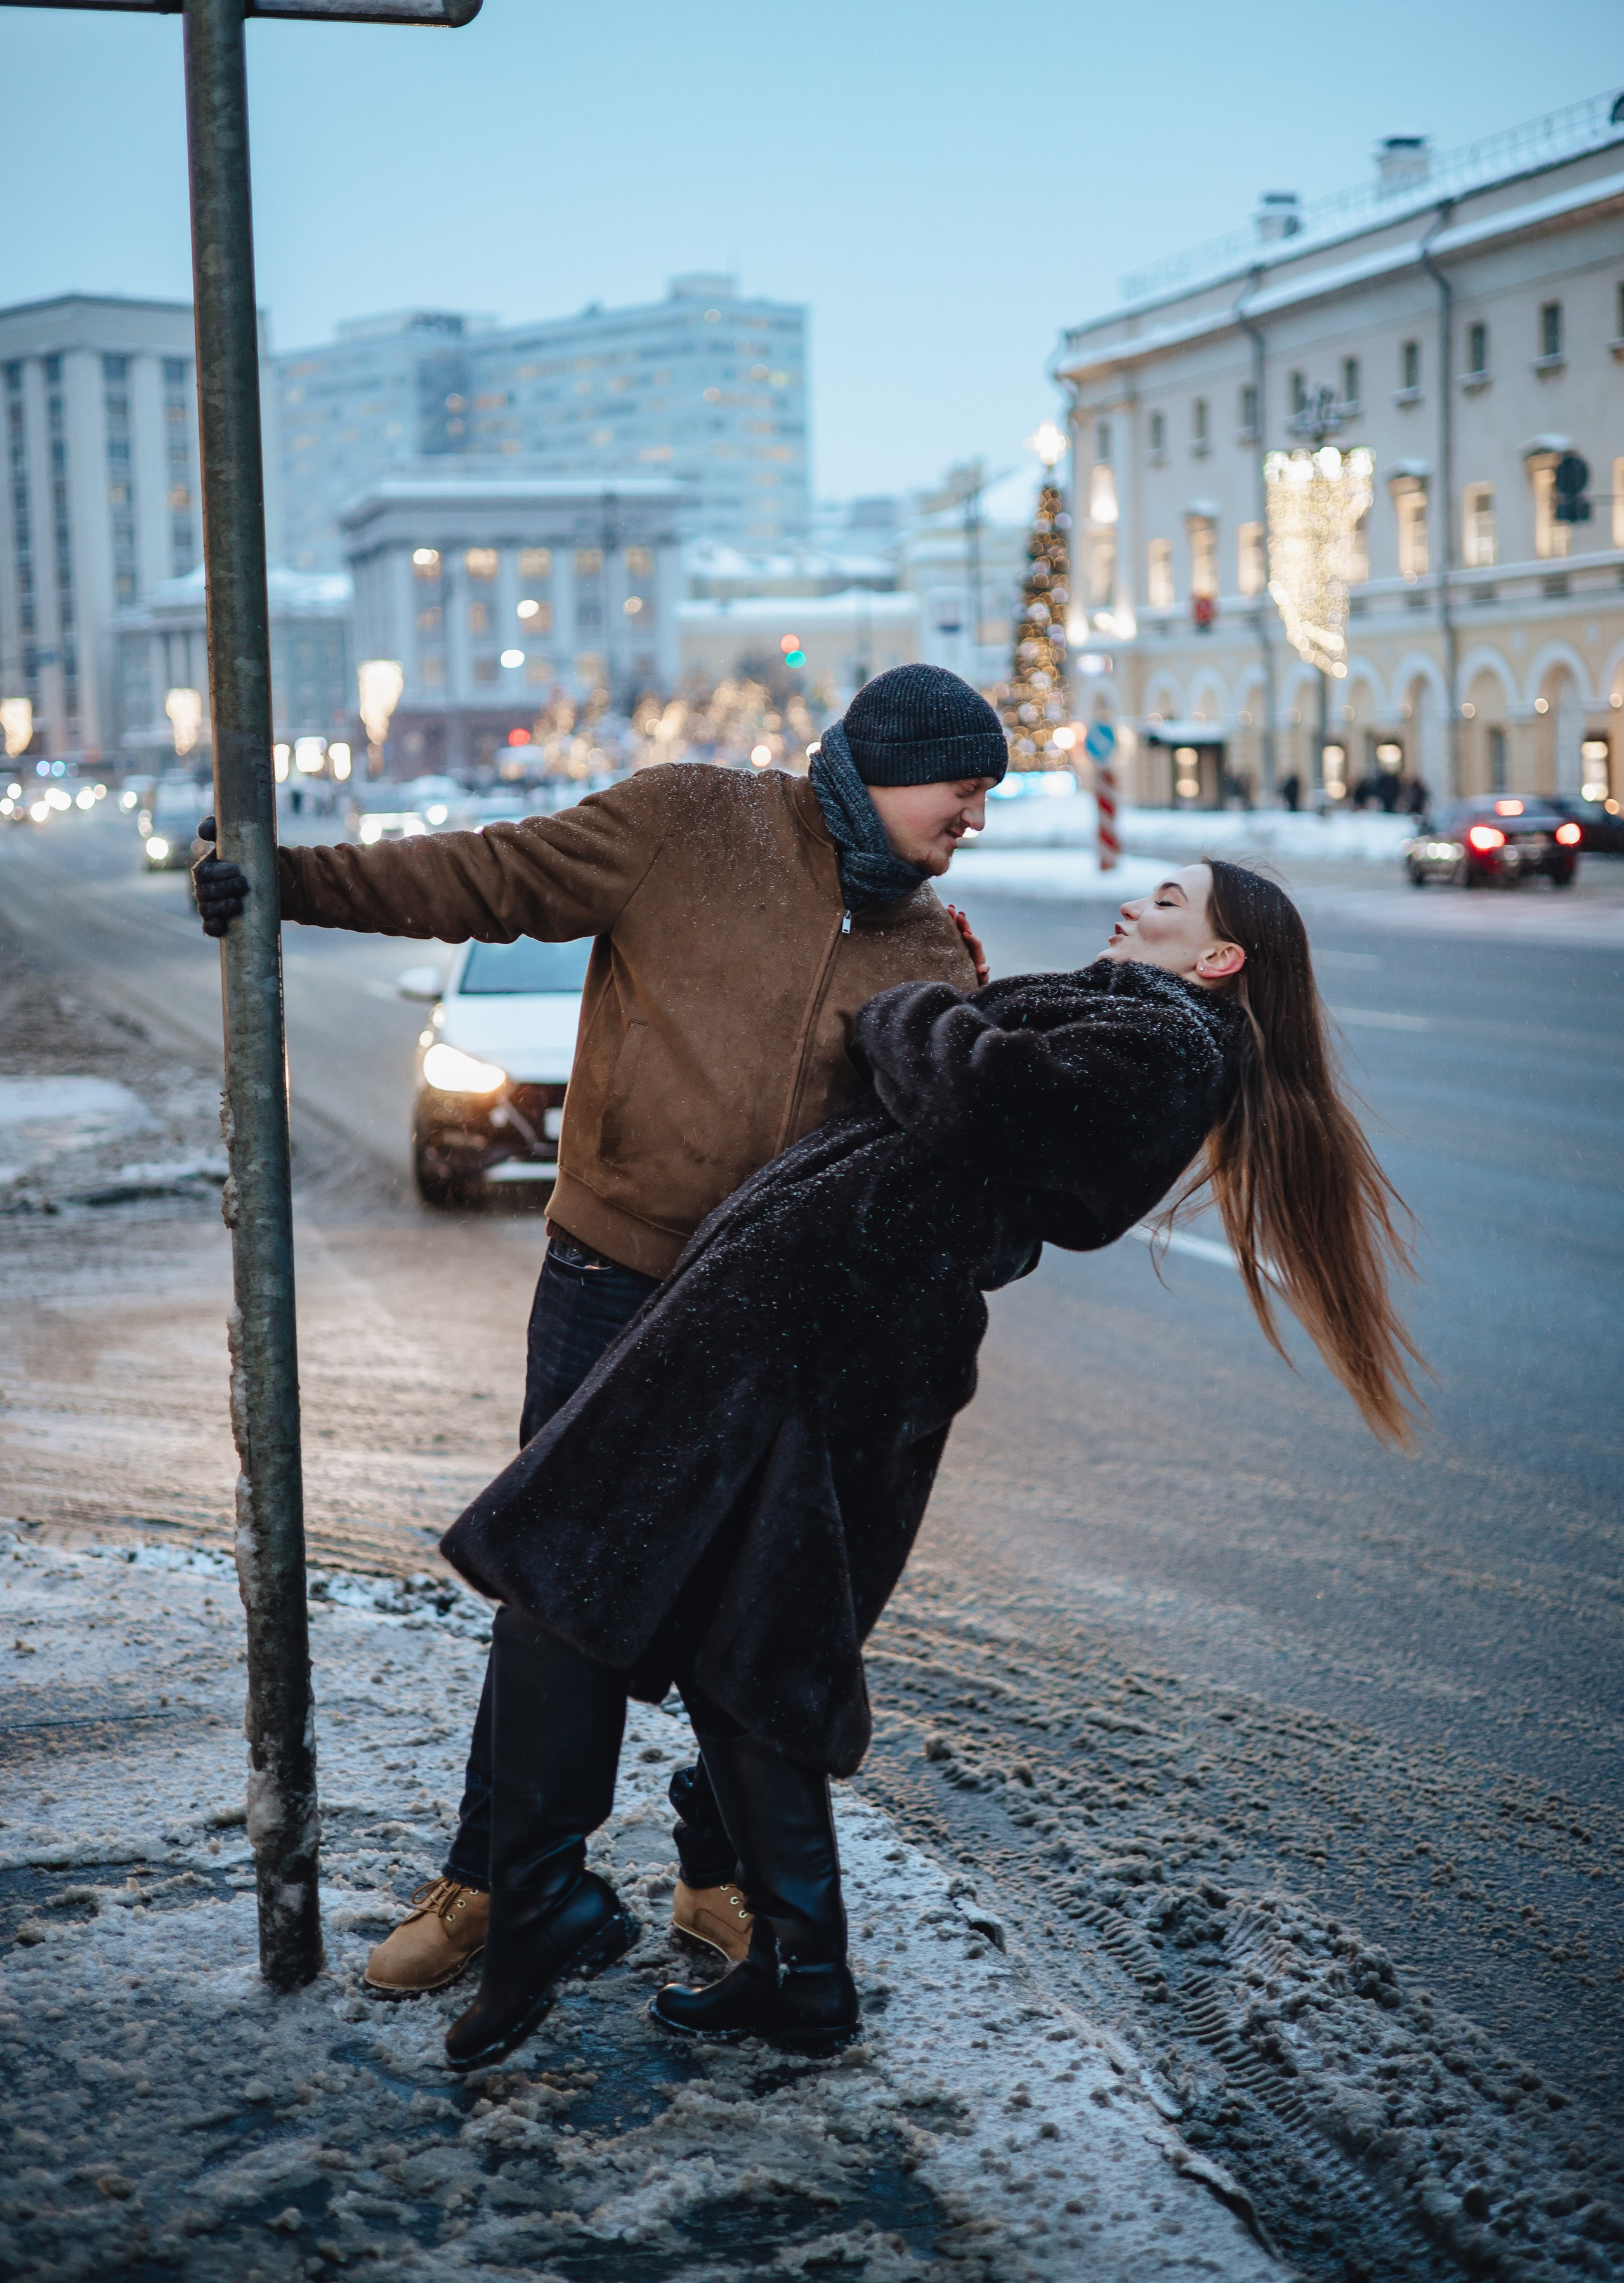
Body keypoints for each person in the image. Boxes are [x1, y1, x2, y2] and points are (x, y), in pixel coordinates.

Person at [433, 858, 1424, 2070]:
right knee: (751, 1645)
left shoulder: (1172, 1043)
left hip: (820, 1338)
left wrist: (907, 1008)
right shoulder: (1139, 1021)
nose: (1136, 902)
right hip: (815, 1328)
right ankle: (794, 1971)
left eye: (1170, 901)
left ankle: (545, 1903)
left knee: (576, 1553)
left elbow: (978, 1097)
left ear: (1220, 958)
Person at [192, 664, 1007, 1995]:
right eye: (962, 790)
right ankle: (488, 1880)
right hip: (615, 1280)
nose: (974, 816)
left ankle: (712, 1877)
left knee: (755, 1616)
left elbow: (943, 1140)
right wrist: (285, 880)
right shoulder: (688, 823)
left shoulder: (926, 950)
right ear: (885, 764)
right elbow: (484, 879)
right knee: (557, 1598)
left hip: (769, 1328)